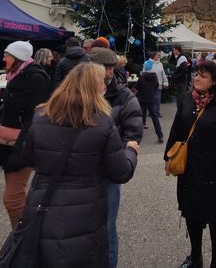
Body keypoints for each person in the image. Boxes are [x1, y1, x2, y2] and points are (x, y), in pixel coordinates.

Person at [17, 62, 140, 266]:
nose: (105, 86)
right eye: (101, 82)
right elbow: (120, 172)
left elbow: (28, 159)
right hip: (86, 206)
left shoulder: (41, 115)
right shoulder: (102, 122)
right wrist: (131, 151)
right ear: (92, 87)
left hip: (44, 200)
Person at [165, 61, 216, 268]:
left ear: (215, 81)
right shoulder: (188, 99)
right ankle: (196, 257)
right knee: (192, 216)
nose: (196, 78)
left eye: (202, 76)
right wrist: (168, 157)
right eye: (196, 74)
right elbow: (176, 130)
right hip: (190, 172)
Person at [89, 47, 143, 268]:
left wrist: (120, 154)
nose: (109, 72)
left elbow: (133, 132)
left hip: (108, 171)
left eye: (112, 67)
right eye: (105, 67)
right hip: (79, 169)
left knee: (107, 227)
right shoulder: (77, 92)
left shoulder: (124, 95)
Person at [0, 41, 50, 234]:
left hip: (23, 143)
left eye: (7, 55)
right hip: (9, 140)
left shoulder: (35, 77)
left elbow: (38, 115)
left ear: (18, 57)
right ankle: (22, 237)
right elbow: (8, 111)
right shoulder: (16, 75)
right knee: (15, 195)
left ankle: (22, 238)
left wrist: (22, 146)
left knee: (12, 198)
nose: (3, 58)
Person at [136, 60, 163, 142]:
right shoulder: (154, 76)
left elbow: (137, 87)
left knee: (141, 117)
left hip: (142, 99)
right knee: (155, 118)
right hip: (151, 99)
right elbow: (156, 86)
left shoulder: (142, 77)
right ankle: (160, 135)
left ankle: (138, 136)